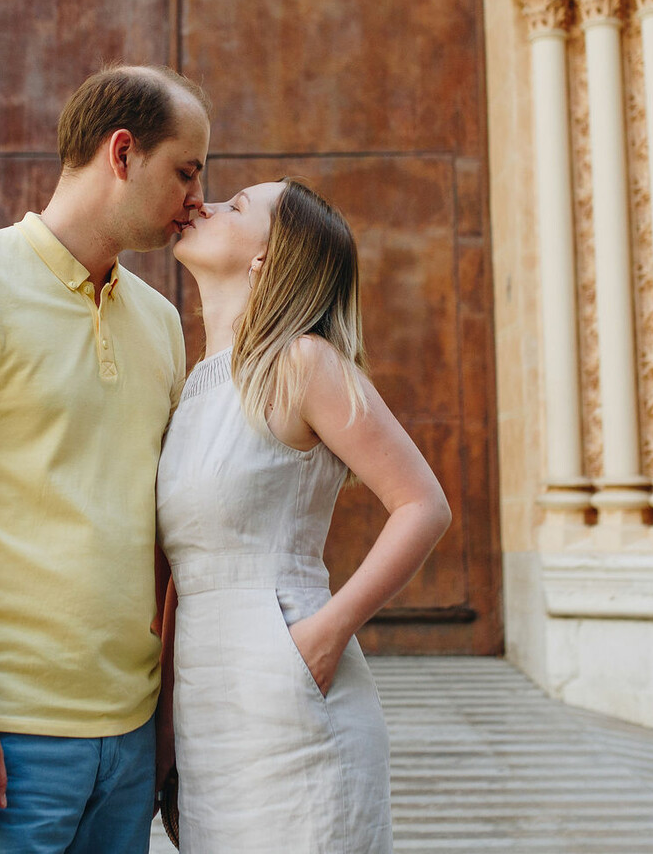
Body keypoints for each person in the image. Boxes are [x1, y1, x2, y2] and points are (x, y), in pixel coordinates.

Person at [0, 64, 210, 853]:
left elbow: (159, 530)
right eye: (187, 171)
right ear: (122, 153)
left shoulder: (161, 321)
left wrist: (160, 725)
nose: (197, 199)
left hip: (127, 740)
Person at [158, 179, 453, 852]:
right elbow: (182, 570)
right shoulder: (192, 386)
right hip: (206, 715)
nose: (204, 202)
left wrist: (321, 640)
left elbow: (422, 505)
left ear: (267, 255)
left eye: (237, 207)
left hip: (293, 698)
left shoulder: (302, 361)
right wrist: (165, 735)